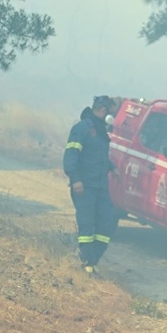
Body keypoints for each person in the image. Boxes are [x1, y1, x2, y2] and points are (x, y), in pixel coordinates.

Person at [63, 95, 118, 277]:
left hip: (100, 186)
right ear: (102, 111)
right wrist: (76, 179)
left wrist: (112, 167)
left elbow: (97, 155)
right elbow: (71, 156)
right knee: (87, 225)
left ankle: (92, 260)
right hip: (84, 186)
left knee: (106, 223)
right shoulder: (82, 129)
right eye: (111, 113)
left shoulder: (100, 131)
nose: (112, 117)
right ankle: (87, 264)